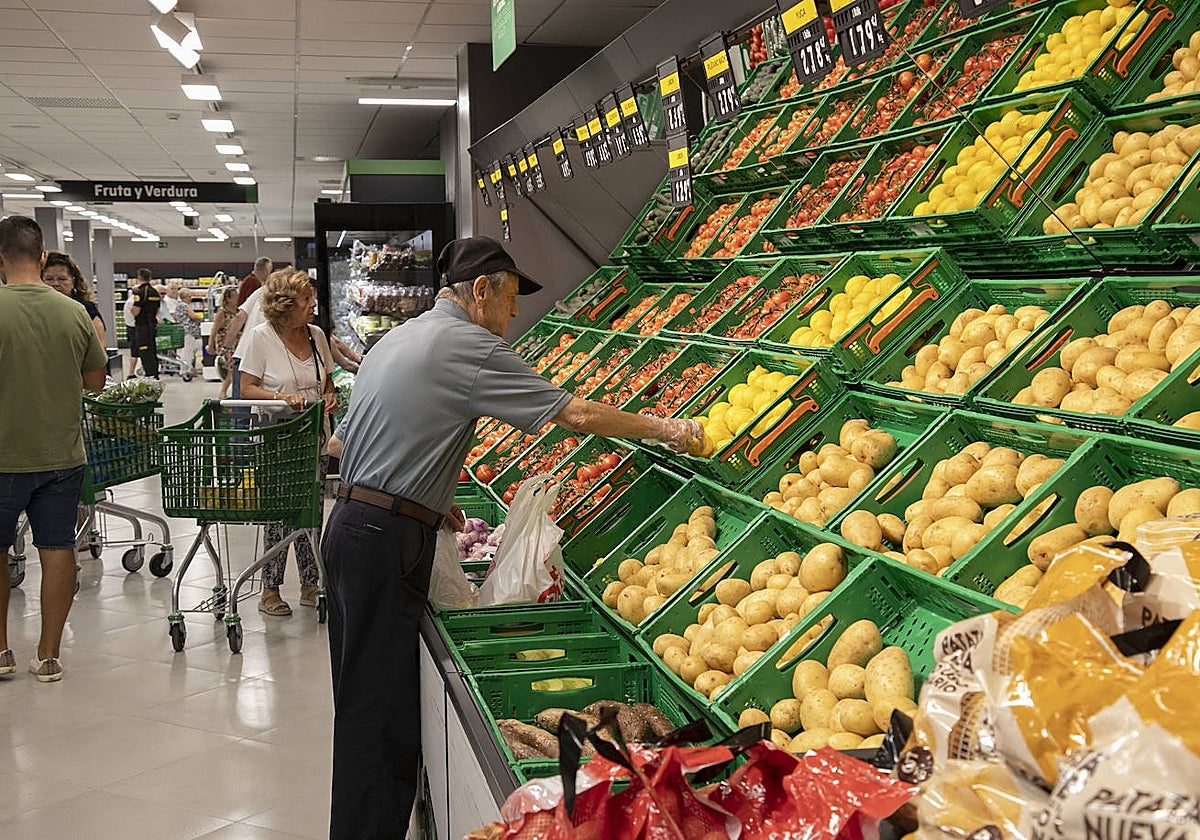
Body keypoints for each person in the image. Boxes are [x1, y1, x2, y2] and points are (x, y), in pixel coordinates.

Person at [321, 236, 702, 838]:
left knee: (362, 709)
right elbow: (575, 415)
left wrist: (427, 492)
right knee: (381, 723)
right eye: (510, 298)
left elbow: (347, 441)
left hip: (350, 528)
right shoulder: (468, 345)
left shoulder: (400, 337)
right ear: (480, 291)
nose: (516, 312)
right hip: (384, 541)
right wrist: (671, 431)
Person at [0, 216, 107, 683]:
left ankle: (1, 651)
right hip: (62, 455)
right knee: (58, 547)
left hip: (4, 456)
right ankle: (48, 655)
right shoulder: (74, 312)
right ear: (42, 257)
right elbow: (95, 381)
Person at [238, 269, 337, 616]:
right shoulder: (261, 337)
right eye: (305, 299)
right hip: (275, 436)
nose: (313, 304)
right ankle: (270, 589)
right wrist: (280, 397)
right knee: (278, 514)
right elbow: (246, 388)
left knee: (311, 512)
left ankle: (311, 583)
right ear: (284, 305)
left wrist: (329, 395)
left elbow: (327, 380)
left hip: (314, 435)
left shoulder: (316, 335)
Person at [42, 251, 105, 349]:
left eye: (62, 279)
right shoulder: (34, 308)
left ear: (73, 281)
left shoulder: (86, 309)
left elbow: (100, 346)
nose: (55, 284)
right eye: (49, 279)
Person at [220, 284, 267, 398]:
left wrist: (226, 346)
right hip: (270, 356)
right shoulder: (291, 294)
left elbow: (240, 317)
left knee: (241, 400)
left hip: (245, 352)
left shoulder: (261, 291)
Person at [130, 268, 162, 378]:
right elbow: (157, 310)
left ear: (139, 277)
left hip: (142, 326)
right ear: (150, 278)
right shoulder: (155, 292)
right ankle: (155, 374)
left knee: (144, 351)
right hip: (152, 326)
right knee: (152, 350)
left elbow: (135, 311)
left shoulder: (140, 292)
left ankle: (150, 375)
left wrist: (131, 310)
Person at [209, 286, 239, 398]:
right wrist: (210, 344)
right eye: (234, 296)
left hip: (236, 342)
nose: (237, 298)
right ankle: (223, 390)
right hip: (225, 342)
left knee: (233, 367)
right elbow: (214, 329)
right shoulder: (222, 312)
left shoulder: (238, 311)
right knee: (231, 367)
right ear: (228, 299)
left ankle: (227, 390)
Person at [177, 288, 204, 377]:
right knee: (187, 351)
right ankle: (186, 371)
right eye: (189, 296)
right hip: (188, 331)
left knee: (184, 351)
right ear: (184, 297)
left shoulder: (179, 305)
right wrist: (202, 319)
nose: (190, 298)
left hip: (182, 330)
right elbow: (193, 316)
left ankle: (184, 369)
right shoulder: (185, 305)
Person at [123, 287, 139, 378]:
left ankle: (131, 372)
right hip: (134, 328)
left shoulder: (129, 300)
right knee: (135, 351)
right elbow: (135, 313)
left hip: (130, 327)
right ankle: (131, 373)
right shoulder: (133, 302)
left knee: (134, 351)